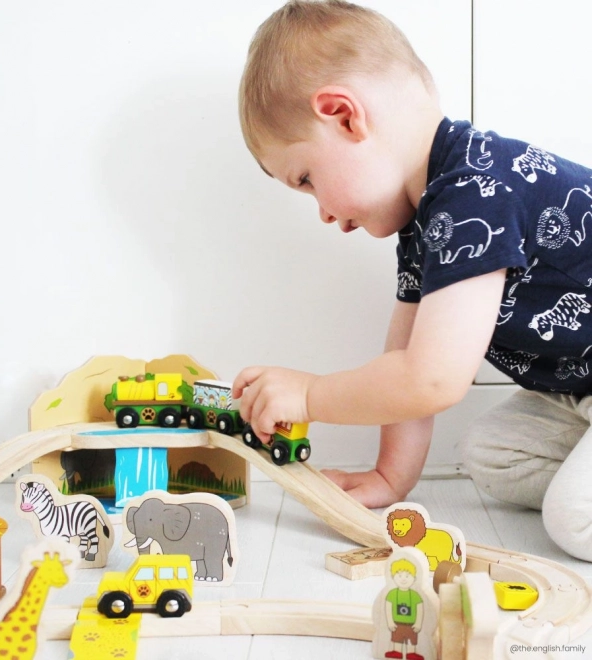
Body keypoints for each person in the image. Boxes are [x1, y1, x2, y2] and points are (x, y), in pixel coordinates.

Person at [231, 0, 592, 561]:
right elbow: (406, 359)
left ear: (345, 116)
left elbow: (431, 379)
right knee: (489, 454)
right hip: (579, 390)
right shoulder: (428, 218)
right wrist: (390, 476)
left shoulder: (478, 188)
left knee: (573, 517)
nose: (323, 212)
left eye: (306, 179)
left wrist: (310, 395)